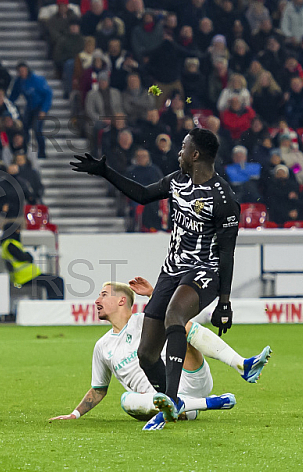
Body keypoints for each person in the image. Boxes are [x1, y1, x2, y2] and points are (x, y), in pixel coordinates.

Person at [71, 128, 240, 426]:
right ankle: (169, 401)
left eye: (184, 146)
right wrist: (105, 171)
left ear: (196, 154)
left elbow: (226, 254)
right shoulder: (176, 181)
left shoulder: (223, 198)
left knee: (175, 315)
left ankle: (171, 403)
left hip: (204, 271)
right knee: (146, 353)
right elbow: (142, 194)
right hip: (171, 271)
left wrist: (224, 303)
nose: (179, 151)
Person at [49, 280, 270, 430]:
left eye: (103, 295)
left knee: (180, 324)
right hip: (157, 400)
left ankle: (241, 364)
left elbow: (176, 309)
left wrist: (154, 294)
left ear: (121, 300)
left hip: (188, 378)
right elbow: (99, 389)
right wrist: (74, 414)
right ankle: (196, 405)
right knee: (126, 400)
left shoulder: (146, 320)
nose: (96, 301)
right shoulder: (102, 346)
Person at [0, 223, 64, 300]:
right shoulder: (10, 244)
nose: (19, 232)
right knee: (56, 281)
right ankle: (55, 304)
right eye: (17, 230)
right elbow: (23, 257)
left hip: (27, 275)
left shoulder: (9, 243)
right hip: (24, 276)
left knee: (54, 281)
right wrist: (28, 255)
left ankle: (53, 303)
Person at [8, 62, 52, 159]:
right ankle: (25, 150)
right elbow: (14, 95)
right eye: (20, 71)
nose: (22, 73)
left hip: (39, 106)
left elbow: (48, 94)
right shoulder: (19, 82)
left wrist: (44, 110)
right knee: (24, 128)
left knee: (37, 129)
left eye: (23, 70)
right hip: (30, 106)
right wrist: (7, 103)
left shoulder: (37, 80)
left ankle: (42, 152)